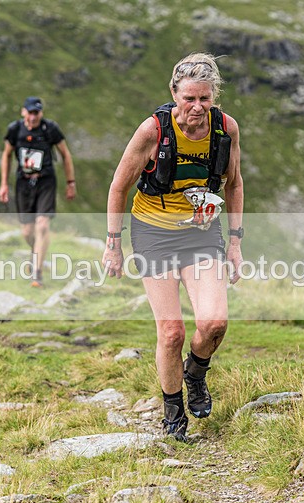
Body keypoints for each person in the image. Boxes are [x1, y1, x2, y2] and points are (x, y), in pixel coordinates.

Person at [102, 53, 244, 441]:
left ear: (214, 96)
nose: (196, 107)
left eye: (204, 99)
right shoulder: (152, 131)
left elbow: (233, 183)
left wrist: (235, 242)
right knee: (171, 332)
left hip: (201, 234)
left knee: (214, 323)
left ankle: (196, 372)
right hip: (153, 234)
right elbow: (118, 187)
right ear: (174, 93)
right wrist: (113, 244)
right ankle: (173, 414)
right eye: (188, 99)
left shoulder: (225, 128)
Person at [0, 96, 76, 287]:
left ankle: (37, 273)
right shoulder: (15, 130)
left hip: (45, 181)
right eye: (30, 112)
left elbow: (65, 154)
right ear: (23, 112)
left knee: (42, 225)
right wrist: (4, 184)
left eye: (37, 113)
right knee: (27, 231)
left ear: (41, 113)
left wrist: (70, 182)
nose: (33, 117)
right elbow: (6, 155)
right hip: (23, 183)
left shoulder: (50, 129)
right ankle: (37, 253)